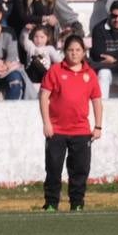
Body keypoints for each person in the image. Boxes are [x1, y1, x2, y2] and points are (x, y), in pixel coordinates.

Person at [39, 34, 102, 211]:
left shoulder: (90, 74)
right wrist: (46, 123)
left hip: (81, 131)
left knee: (80, 170)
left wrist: (98, 125)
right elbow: (44, 96)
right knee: (53, 168)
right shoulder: (55, 71)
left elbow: (96, 100)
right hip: (57, 130)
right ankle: (51, 203)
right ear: (64, 51)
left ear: (83, 52)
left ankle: (77, 203)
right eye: (70, 50)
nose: (74, 53)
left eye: (78, 50)